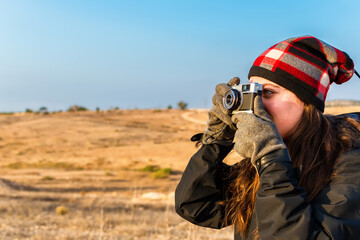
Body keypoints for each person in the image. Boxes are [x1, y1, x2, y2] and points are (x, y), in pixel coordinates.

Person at [175, 36, 360, 240]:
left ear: (307, 103)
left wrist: (271, 161)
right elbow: (196, 206)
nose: (256, 104)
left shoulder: (348, 162)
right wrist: (217, 140)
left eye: (268, 92)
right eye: (252, 92)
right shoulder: (274, 156)